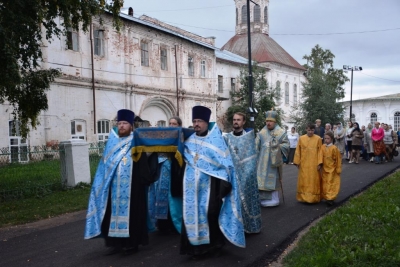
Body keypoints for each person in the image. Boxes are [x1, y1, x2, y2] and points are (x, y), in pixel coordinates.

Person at [180, 106, 245, 258]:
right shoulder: (188, 141)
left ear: (206, 122)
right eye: (194, 121)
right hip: (190, 189)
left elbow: (225, 166)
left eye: (200, 121)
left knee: (210, 215)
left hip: (211, 189)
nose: (196, 124)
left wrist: (222, 189)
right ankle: (194, 248)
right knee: (190, 216)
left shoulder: (216, 141)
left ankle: (212, 246)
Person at [84, 109, 150, 255]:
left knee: (133, 215)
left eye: (125, 123)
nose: (121, 126)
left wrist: (142, 180)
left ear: (131, 126)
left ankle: (132, 244)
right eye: (119, 123)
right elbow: (105, 166)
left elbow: (143, 164)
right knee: (111, 214)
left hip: (133, 188)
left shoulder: (137, 142)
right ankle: (116, 243)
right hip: (113, 188)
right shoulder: (112, 142)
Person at [223, 112, 261, 234]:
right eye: (234, 119)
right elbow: (224, 156)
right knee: (232, 201)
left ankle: (248, 227)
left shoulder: (249, 137)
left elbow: (252, 159)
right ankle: (234, 228)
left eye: (239, 120)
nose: (236, 122)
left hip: (245, 176)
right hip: (231, 175)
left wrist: (245, 175)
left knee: (246, 200)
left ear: (243, 122)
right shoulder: (226, 137)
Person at [148, 116, 183, 235]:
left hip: (175, 171)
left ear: (179, 125)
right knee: (160, 195)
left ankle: (175, 223)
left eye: (174, 124)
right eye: (170, 123)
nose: (171, 126)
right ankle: (162, 223)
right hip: (162, 169)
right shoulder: (163, 136)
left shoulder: (181, 136)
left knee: (173, 197)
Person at [256, 110, 289, 207]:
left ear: (275, 122)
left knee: (273, 180)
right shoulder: (261, 132)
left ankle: (274, 199)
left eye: (270, 121)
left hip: (274, 162)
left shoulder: (281, 132)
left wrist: (277, 146)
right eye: (267, 121)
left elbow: (286, 145)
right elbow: (255, 146)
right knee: (262, 181)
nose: (268, 123)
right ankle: (262, 199)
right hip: (262, 163)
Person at [293, 123, 323, 204]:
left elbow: (320, 151)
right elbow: (298, 151)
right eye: (309, 130)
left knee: (313, 180)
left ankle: (314, 197)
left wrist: (320, 163)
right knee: (304, 179)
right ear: (306, 129)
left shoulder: (318, 139)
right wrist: (297, 162)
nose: (310, 132)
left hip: (314, 163)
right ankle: (303, 197)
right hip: (304, 163)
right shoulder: (301, 138)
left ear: (314, 130)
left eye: (312, 130)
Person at [320, 132, 342, 206]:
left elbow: (338, 160)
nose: (326, 140)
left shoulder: (334, 148)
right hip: (324, 168)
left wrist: (338, 169)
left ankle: (330, 198)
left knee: (330, 183)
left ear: (332, 139)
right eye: (325, 138)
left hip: (332, 169)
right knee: (325, 183)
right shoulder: (322, 147)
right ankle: (326, 197)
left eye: (328, 138)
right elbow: (320, 156)